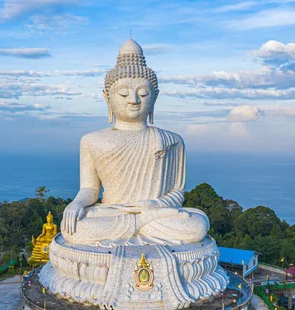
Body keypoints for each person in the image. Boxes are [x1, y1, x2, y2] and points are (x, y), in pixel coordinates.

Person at [61, 39, 209, 246]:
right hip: (114, 212)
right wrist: (75, 204)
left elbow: (177, 192)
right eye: (123, 93)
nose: (133, 100)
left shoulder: (172, 141)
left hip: (156, 212)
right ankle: (141, 223)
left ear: (155, 97)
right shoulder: (91, 141)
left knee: (197, 224)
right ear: (107, 97)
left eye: (143, 93)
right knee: (74, 228)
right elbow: (90, 190)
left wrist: (153, 205)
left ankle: (140, 222)